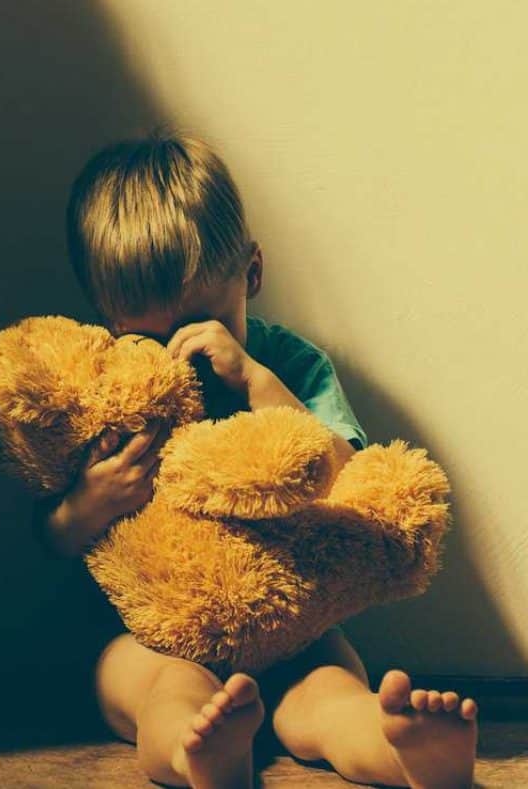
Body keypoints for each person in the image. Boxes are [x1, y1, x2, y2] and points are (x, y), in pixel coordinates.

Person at [41, 126, 479, 788]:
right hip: (157, 640)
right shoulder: (101, 387)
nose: (179, 359)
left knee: (329, 691)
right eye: (147, 338)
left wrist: (258, 384)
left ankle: (398, 745)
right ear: (105, 316)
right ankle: (200, 753)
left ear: (252, 272)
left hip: (292, 634)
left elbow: (352, 484)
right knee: (154, 686)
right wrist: (90, 500)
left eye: (204, 324)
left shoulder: (290, 365)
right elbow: (49, 538)